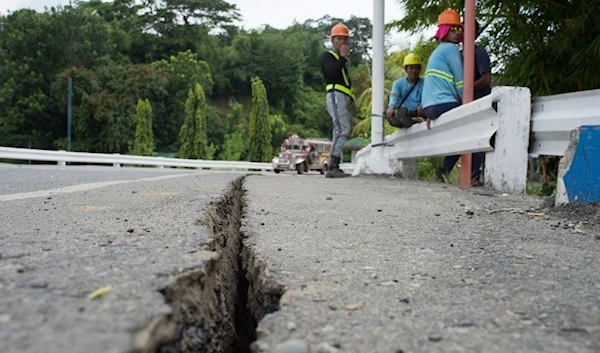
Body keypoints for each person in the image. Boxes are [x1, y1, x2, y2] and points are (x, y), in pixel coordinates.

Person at [436, 21, 493, 185]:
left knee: (478, 137)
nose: (464, 32)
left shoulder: (478, 52)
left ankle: (474, 174)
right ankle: (445, 169)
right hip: (461, 102)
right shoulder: (456, 54)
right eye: (462, 28)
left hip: (479, 101)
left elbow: (486, 80)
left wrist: (468, 88)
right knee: (459, 136)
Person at [321, 23, 354, 178]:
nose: (342, 42)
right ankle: (333, 165)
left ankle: (335, 163)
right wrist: (342, 57)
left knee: (339, 130)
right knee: (342, 129)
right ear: (332, 40)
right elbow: (333, 74)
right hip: (335, 95)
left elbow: (345, 81)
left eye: (344, 39)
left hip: (343, 96)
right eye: (339, 39)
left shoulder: (340, 60)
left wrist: (351, 98)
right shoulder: (328, 57)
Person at [386, 53, 425, 128]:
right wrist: (391, 108)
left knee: (405, 116)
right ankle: (407, 120)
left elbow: (426, 97)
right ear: (406, 69)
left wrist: (422, 106)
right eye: (411, 68)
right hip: (404, 111)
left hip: (417, 111)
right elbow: (394, 97)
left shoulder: (424, 83)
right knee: (398, 116)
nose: (414, 71)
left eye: (416, 68)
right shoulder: (398, 83)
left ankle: (411, 119)